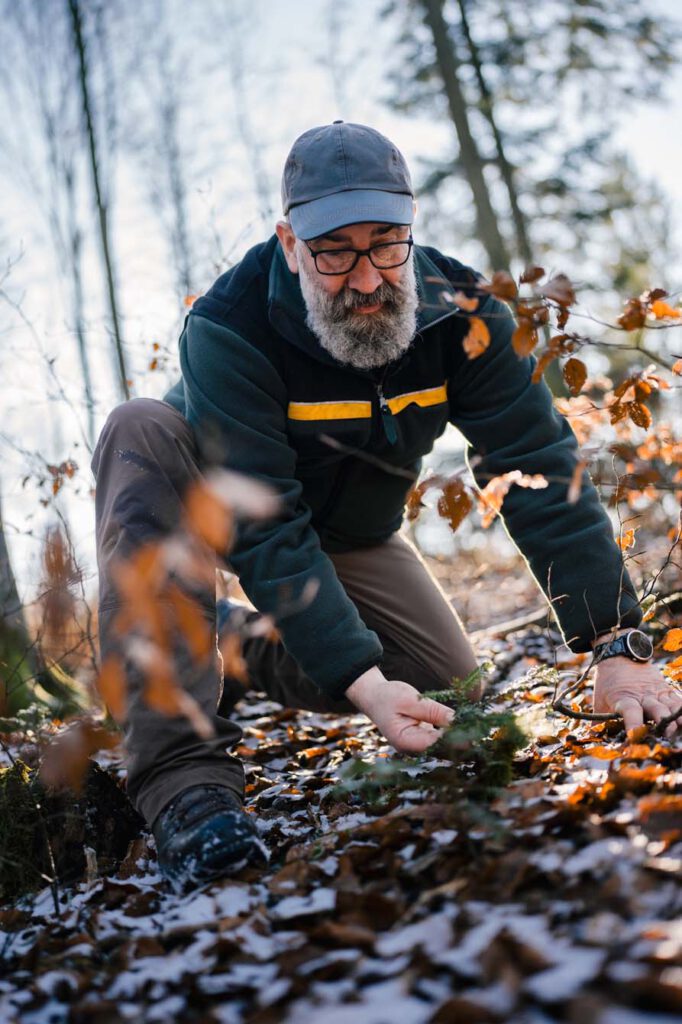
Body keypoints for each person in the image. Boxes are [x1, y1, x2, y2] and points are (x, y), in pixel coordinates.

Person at [92, 121, 679, 894]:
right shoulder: (229, 325)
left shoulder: (463, 313)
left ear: (412, 228)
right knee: (138, 425)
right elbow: (265, 524)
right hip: (211, 498)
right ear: (291, 242)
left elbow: (537, 463)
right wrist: (361, 684)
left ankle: (236, 647)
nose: (367, 278)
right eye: (335, 252)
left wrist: (613, 642)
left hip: (353, 536)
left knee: (449, 697)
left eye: (386, 243)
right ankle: (184, 784)